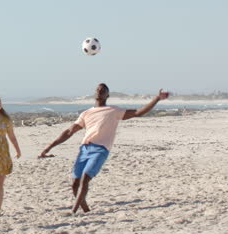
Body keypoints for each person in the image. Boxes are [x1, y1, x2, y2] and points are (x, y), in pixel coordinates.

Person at [38, 84, 170, 213]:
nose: (99, 90)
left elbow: (138, 112)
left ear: (107, 95)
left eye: (103, 89)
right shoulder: (86, 113)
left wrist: (157, 99)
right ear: (94, 94)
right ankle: (86, 211)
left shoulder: (113, 111)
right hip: (84, 149)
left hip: (100, 150)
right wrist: (48, 148)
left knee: (85, 178)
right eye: (97, 89)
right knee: (75, 184)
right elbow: (69, 131)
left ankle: (73, 211)